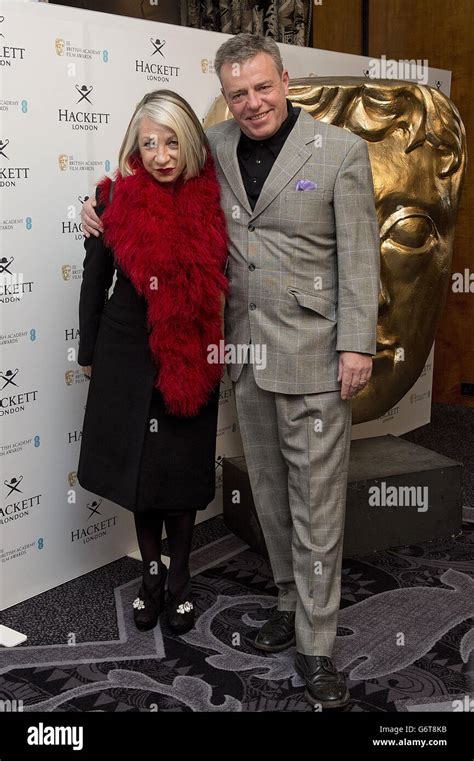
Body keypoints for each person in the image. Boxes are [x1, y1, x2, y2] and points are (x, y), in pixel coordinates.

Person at [82, 35, 380, 709]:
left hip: (315, 353)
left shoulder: (339, 152)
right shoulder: (210, 145)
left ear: (286, 78)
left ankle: (318, 642)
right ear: (226, 95)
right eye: (238, 92)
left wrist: (356, 346)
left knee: (317, 503)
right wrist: (97, 209)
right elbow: (149, 176)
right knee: (270, 497)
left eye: (262, 87)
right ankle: (285, 602)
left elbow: (362, 259)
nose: (252, 103)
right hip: (241, 355)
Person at [77, 90, 228, 636]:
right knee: (142, 475)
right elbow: (95, 282)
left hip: (192, 353)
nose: (162, 155)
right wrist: (89, 354)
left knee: (180, 473)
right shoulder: (113, 197)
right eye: (149, 144)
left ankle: (182, 580)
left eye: (172, 142)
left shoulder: (215, 194)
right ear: (134, 147)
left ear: (188, 141)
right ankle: (151, 577)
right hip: (129, 356)